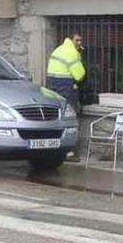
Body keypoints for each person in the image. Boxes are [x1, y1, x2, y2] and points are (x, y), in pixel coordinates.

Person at [46, 33, 85, 162]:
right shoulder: (72, 53)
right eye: (77, 40)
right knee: (71, 118)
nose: (79, 43)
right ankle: (69, 152)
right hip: (66, 88)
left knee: (55, 117)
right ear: (71, 40)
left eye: (81, 40)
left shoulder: (58, 49)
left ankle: (51, 148)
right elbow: (79, 75)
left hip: (52, 87)